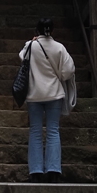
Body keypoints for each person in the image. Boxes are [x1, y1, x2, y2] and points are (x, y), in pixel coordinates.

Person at [19, 17, 74, 181]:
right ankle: (53, 171)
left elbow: (22, 58)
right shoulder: (59, 47)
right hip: (54, 93)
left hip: (34, 93)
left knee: (35, 131)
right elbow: (68, 71)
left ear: (37, 30)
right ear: (52, 30)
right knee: (53, 131)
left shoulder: (30, 46)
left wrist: (32, 41)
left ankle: (35, 172)